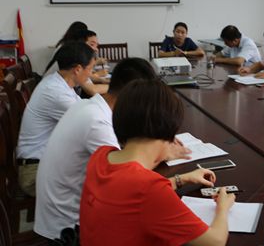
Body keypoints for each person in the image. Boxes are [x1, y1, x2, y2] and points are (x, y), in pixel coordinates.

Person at [34, 58, 178, 240]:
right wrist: (163, 152)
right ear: (132, 95)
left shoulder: (91, 105)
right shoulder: (97, 121)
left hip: (63, 209)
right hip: (68, 227)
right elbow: (129, 178)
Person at [79, 79, 235, 246]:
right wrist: (222, 208)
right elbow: (215, 241)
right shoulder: (148, 188)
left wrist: (180, 179)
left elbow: (130, 195)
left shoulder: (101, 156)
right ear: (170, 130)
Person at [16, 42, 96, 196]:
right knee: (99, 182)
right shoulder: (56, 93)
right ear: (78, 69)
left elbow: (87, 109)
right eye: (91, 69)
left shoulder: (58, 83)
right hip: (34, 173)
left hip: (44, 162)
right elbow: (90, 121)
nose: (91, 75)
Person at [45, 29, 109, 96]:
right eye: (92, 44)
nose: (96, 49)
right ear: (81, 44)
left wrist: (102, 80)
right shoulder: (75, 57)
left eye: (96, 46)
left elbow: (88, 78)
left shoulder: (77, 55)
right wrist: (113, 87)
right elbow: (92, 89)